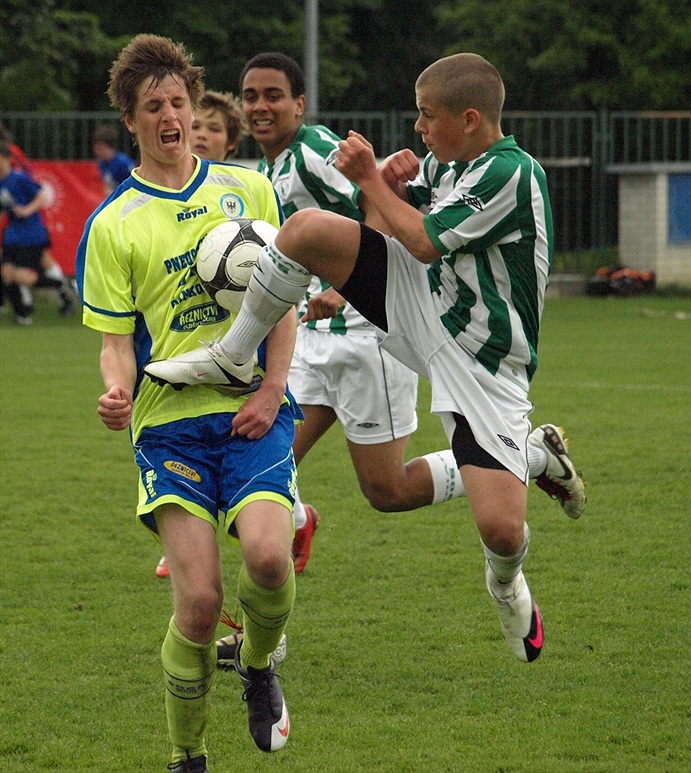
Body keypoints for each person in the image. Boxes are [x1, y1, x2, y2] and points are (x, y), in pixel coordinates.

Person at [146, 52, 582, 665]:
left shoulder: (510, 171)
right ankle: (232, 355)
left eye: (428, 117)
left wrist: (373, 180)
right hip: (422, 304)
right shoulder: (443, 164)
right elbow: (384, 227)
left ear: (471, 117)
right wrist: (393, 187)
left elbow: (425, 240)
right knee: (302, 232)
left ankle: (508, 575)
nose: (419, 129)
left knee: (501, 531)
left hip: (485, 361)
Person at [77, 34, 301, 771]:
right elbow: (115, 341)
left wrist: (273, 387)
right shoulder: (113, 224)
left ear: (191, 104)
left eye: (178, 101)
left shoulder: (248, 190)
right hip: (169, 422)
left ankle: (260, 664)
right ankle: (187, 755)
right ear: (133, 120)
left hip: (252, 412)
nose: (169, 115)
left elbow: (282, 301)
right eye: (153, 106)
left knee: (270, 557)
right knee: (199, 603)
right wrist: (115, 386)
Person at [155, 89, 250, 580]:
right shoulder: (142, 205)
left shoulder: (247, 189)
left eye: (215, 129)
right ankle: (186, 535)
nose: (203, 135)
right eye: (200, 126)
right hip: (178, 374)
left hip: (260, 361)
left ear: (232, 142)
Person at [0, 123, 75, 318]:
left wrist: (26, 209)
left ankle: (58, 289)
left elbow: (41, 194)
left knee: (25, 272)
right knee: (10, 272)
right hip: (13, 231)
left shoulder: (14, 165)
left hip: (29, 230)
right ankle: (24, 308)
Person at [92, 123, 136, 195]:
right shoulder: (102, 163)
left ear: (110, 148)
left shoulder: (124, 163)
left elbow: (134, 184)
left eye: (100, 149)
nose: (97, 152)